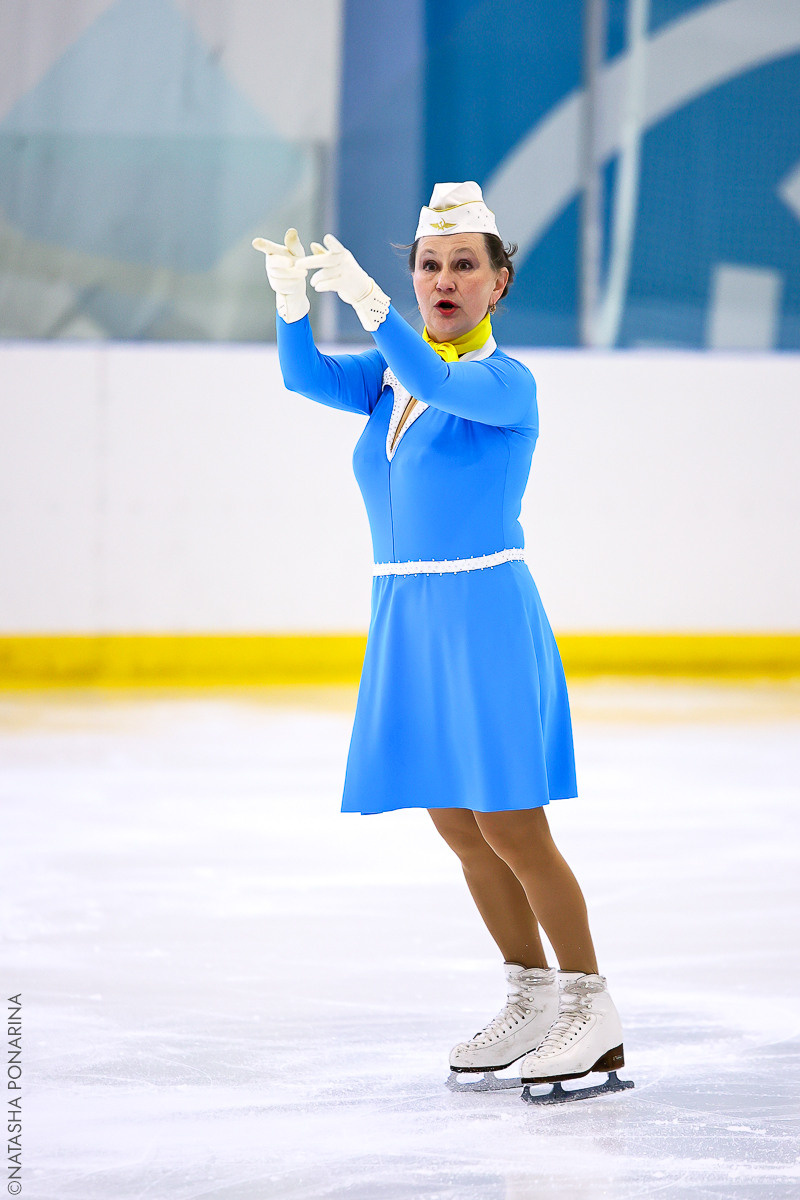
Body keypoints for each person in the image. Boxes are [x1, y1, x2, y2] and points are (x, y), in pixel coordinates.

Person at [253, 182, 626, 1094]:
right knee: (458, 825)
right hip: (408, 618)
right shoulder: (389, 379)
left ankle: (592, 1008)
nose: (443, 280)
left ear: (499, 284)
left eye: (465, 266)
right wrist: (294, 304)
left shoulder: (501, 382)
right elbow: (305, 379)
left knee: (512, 824)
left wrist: (374, 310)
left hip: (484, 617)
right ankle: (531, 993)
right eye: (428, 265)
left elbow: (432, 375)